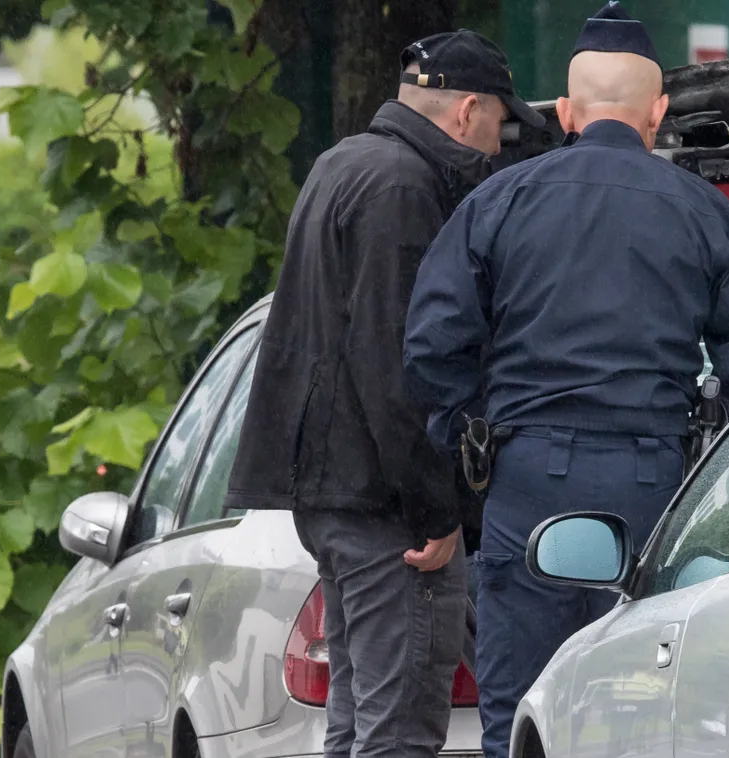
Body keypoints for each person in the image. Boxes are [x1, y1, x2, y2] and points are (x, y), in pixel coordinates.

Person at [401, 4, 729, 757]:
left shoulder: (499, 201)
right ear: (659, 111)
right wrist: (719, 488)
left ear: (567, 111)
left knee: (520, 709)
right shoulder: (705, 213)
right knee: (651, 708)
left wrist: (474, 441)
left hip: (529, 483)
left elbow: (431, 345)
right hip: (657, 487)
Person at [222, 30, 543, 758]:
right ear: (467, 111)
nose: (498, 144)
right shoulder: (403, 188)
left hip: (333, 495)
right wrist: (434, 509)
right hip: (386, 510)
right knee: (398, 732)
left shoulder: (345, 163)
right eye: (500, 122)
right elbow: (394, 361)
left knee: (356, 725)